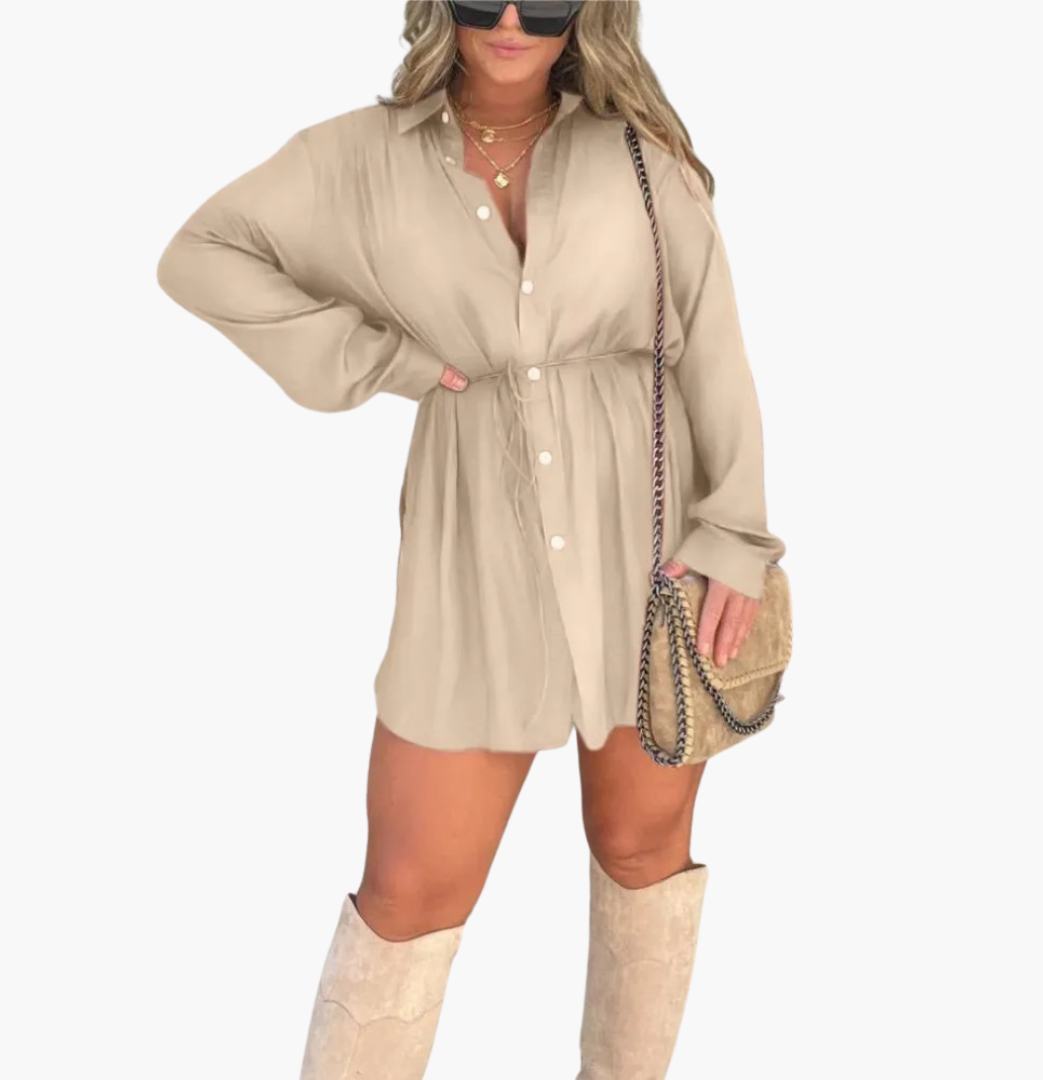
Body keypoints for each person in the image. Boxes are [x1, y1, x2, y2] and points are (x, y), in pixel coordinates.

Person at [155, 2, 786, 1077]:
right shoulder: (358, 158)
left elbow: (712, 345)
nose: (510, 19)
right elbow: (200, 257)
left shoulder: (640, 152)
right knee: (408, 892)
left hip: (651, 538)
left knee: (642, 851)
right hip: (474, 544)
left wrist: (737, 532)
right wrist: (385, 361)